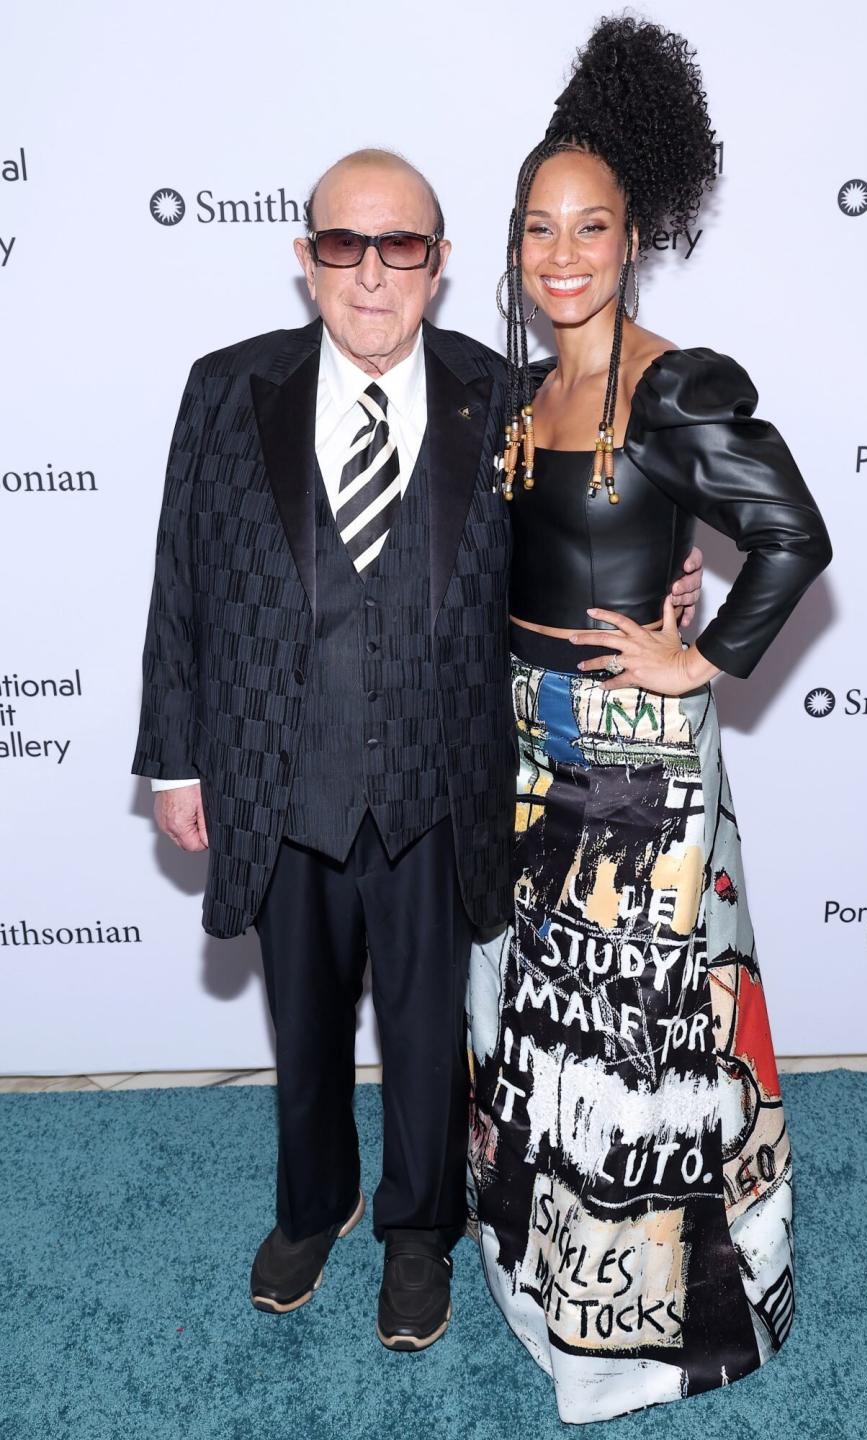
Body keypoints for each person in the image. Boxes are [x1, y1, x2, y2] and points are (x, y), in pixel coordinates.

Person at [132, 147, 706, 1351]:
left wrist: (671, 578)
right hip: (277, 783)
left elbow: (573, 545)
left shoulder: (501, 398)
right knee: (300, 1020)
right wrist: (176, 763)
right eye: (346, 245)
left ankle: (417, 1233)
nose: (374, 274)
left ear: (439, 266)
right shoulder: (226, 388)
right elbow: (180, 586)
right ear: (308, 261)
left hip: (441, 784)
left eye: (402, 247)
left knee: (426, 1032)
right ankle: (310, 1202)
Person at [468, 17, 832, 1424]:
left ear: (633, 237)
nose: (563, 255)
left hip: (638, 767)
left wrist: (707, 656)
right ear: (518, 245)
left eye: (592, 228)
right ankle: (548, 1295)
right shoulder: (523, 392)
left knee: (643, 1045)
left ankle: (643, 1340)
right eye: (540, 230)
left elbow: (792, 534)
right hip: (524, 750)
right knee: (539, 1030)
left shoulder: (678, 383)